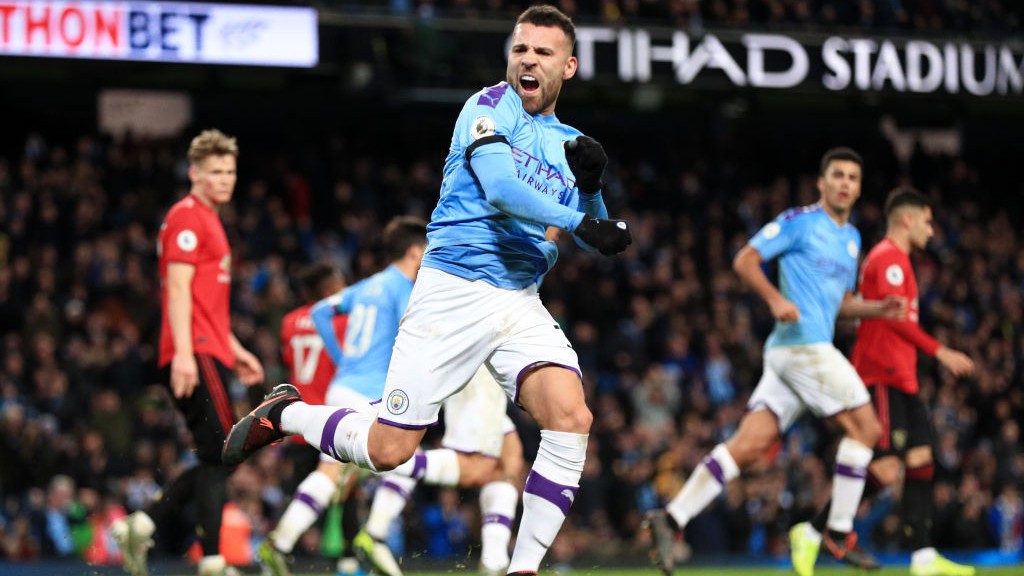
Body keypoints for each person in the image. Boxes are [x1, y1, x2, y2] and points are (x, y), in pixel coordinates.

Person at [223, 5, 632, 575]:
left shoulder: (568, 141)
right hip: (454, 289)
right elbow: (499, 188)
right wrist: (583, 217)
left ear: (569, 65)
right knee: (389, 451)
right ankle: (287, 415)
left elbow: (599, 235)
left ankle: (522, 569)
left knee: (572, 417)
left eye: (542, 52)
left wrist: (591, 191)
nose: (528, 60)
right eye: (520, 50)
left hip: (519, 298)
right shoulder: (488, 107)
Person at [645, 147, 905, 575]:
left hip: (794, 355)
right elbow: (745, 260)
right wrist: (775, 299)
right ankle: (837, 532)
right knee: (868, 428)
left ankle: (671, 519)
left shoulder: (852, 239)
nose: (844, 183)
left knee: (746, 447)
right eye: (837, 175)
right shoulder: (800, 222)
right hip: (802, 347)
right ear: (821, 183)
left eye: (852, 178)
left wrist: (878, 309)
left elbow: (839, 303)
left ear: (858, 189)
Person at [790, 188, 976, 576]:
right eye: (927, 221)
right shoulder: (889, 259)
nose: (931, 229)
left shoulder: (899, 261)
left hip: (903, 377)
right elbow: (894, 319)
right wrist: (939, 351)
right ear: (907, 219)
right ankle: (811, 531)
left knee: (922, 460)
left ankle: (924, 559)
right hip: (882, 374)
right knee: (889, 469)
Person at [113, 129, 265, 576]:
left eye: (230, 171)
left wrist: (234, 348)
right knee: (222, 450)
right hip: (193, 351)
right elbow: (177, 290)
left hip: (208, 347)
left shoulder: (210, 220)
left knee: (213, 453)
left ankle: (144, 523)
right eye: (215, 171)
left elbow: (206, 302)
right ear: (194, 173)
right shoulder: (187, 217)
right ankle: (212, 561)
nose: (224, 179)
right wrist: (182, 352)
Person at [257, 216, 428, 576]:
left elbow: (320, 311)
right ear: (415, 251)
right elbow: (409, 337)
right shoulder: (401, 288)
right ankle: (374, 538)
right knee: (409, 458)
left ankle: (280, 544)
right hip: (367, 393)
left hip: (342, 387)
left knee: (333, 474)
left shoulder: (368, 285)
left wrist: (341, 358)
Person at [356, 365, 524, 576]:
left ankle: (494, 559)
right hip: (476, 366)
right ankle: (374, 529)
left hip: (479, 373)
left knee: (509, 462)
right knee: (478, 467)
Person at [269, 262, 365, 576]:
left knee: (300, 491)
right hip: (331, 418)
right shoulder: (342, 321)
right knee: (344, 488)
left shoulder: (288, 322)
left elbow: (289, 362)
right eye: (339, 284)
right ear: (328, 290)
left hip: (299, 421)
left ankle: (285, 557)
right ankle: (349, 560)